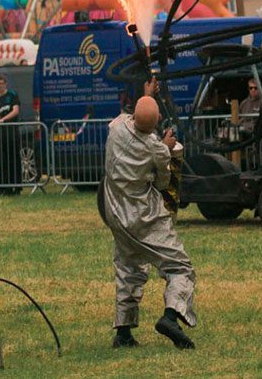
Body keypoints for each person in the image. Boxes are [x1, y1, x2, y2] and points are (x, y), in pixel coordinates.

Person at [99, 96, 196, 351]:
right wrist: (165, 147)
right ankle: (171, 316)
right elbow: (164, 183)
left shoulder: (117, 127)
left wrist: (147, 93)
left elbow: (132, 114)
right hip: (144, 215)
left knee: (128, 267)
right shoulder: (155, 147)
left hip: (115, 213)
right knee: (179, 266)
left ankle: (123, 332)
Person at [0, 74, 21, 195]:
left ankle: (17, 187)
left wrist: (2, 120)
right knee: (3, 161)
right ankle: (6, 188)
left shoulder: (12, 94)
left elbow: (15, 111)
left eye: (0, 84)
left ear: (5, 84)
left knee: (14, 160)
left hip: (12, 133)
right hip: (1, 135)